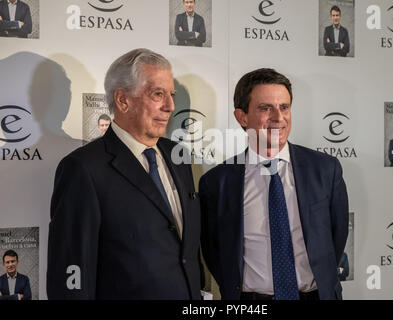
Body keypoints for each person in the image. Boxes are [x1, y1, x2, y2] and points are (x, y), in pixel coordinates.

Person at [47, 48, 203, 299]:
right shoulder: (83, 169)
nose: (170, 106)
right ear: (122, 100)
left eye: (171, 95)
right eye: (158, 94)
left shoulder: (179, 157)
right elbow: (71, 270)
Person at [199, 68, 349, 300]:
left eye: (284, 107)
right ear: (242, 117)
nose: (278, 118)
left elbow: (336, 237)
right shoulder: (217, 183)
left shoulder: (325, 170)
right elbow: (214, 252)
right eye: (265, 108)